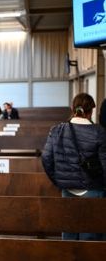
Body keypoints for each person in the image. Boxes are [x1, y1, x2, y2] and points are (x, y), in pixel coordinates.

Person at [42, 93, 106, 241]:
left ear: (72, 108)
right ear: (91, 111)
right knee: (89, 237)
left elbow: (46, 158)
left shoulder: (57, 130)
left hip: (67, 188)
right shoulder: (99, 132)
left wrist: (58, 180)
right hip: (92, 188)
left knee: (68, 233)